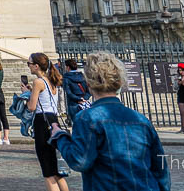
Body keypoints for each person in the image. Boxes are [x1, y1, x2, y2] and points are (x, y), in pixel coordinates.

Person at [47, 51, 169, 191]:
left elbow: (79, 161)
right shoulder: (141, 120)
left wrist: (60, 137)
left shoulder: (86, 118)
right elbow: (161, 168)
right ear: (119, 82)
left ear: (88, 84)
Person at [29, 53, 68, 191]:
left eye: (29, 63)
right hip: (53, 120)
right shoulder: (51, 80)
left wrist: (27, 95)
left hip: (42, 121)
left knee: (47, 170)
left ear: (36, 66)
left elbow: (31, 107)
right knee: (56, 169)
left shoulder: (38, 82)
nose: (28, 66)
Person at [62, 58, 91, 126]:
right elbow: (89, 91)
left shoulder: (66, 78)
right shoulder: (83, 76)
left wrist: (78, 99)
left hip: (73, 103)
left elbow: (69, 92)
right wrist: (84, 98)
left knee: (76, 125)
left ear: (68, 67)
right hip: (84, 103)